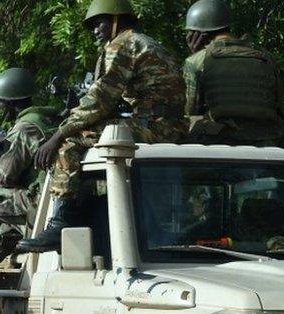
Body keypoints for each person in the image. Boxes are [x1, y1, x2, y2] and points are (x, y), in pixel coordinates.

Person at [17, 0, 186, 253]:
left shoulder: (123, 44)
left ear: (116, 20)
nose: (96, 30)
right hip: (169, 125)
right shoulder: (147, 42)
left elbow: (101, 98)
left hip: (153, 126)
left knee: (68, 144)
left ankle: (61, 224)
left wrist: (59, 133)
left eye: (100, 23)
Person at [0, 68, 60, 270]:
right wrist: (3, 141)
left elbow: (4, 178)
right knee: (5, 222)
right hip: (55, 199)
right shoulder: (46, 119)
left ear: (12, 103)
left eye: (0, 102)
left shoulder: (23, 128)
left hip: (39, 203)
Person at [183, 0, 284, 145]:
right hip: (267, 138)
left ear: (198, 34)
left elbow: (190, 110)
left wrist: (195, 56)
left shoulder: (197, 61)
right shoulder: (266, 57)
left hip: (216, 139)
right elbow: (279, 109)